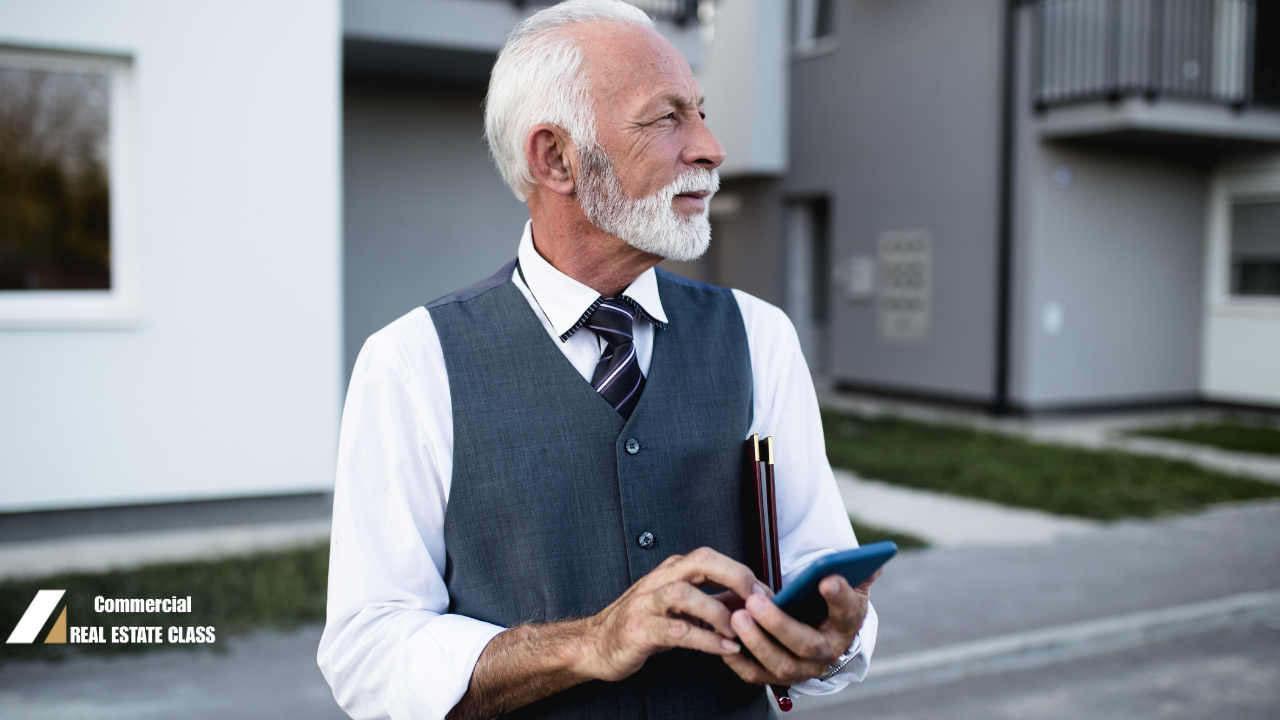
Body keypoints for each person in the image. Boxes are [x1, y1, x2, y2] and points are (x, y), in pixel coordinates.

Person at [317, 1, 878, 718]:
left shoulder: (759, 336)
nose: (710, 146)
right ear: (555, 158)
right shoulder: (409, 364)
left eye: (700, 111)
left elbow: (820, 569)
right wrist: (587, 642)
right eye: (667, 117)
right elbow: (368, 652)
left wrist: (835, 633)